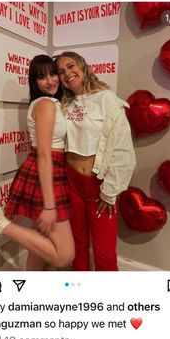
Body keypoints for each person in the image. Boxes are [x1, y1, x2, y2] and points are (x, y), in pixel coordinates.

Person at [0, 55, 75, 270]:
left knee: (40, 242)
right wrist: (50, 206)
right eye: (42, 77)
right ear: (34, 82)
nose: (50, 81)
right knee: (63, 255)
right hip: (47, 169)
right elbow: (43, 154)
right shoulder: (46, 104)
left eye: (53, 74)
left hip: (50, 169)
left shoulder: (50, 103)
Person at [54, 51, 136, 271]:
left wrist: (110, 191)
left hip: (98, 184)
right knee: (77, 246)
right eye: (61, 72)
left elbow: (123, 149)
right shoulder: (63, 103)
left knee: (105, 252)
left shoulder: (107, 99)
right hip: (71, 182)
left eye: (71, 66)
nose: (67, 74)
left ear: (82, 66)